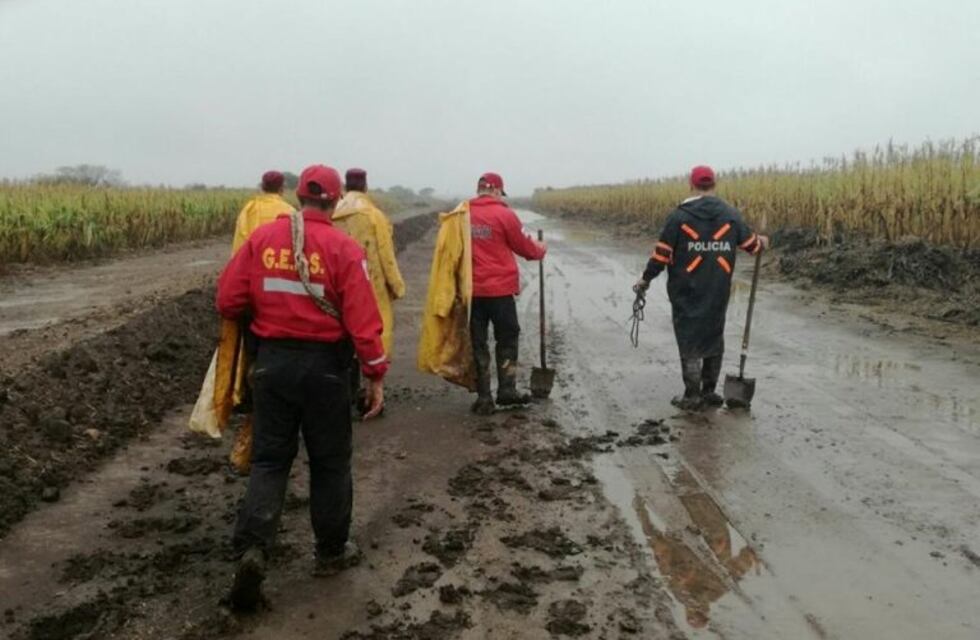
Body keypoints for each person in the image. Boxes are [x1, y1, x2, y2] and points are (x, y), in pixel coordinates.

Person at [215, 164, 388, 611]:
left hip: (272, 367)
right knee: (330, 463)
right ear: (334, 202)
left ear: (298, 196)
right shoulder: (345, 249)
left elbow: (228, 300)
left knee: (270, 461)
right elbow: (364, 322)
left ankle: (252, 550)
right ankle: (330, 553)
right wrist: (375, 374)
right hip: (327, 372)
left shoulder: (264, 239)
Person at [633, 165, 768, 410]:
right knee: (713, 334)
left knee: (689, 337)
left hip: (686, 291)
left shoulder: (678, 217)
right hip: (717, 289)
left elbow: (662, 255)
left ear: (691, 185)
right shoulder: (730, 214)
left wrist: (646, 278)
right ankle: (709, 392)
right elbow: (752, 245)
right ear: (714, 185)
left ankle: (692, 395)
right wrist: (762, 242)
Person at [468, 172, 546, 415]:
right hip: (500, 292)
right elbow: (526, 248)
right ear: (496, 191)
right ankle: (507, 390)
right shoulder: (505, 214)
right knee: (507, 339)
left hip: (471, 292)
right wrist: (540, 249)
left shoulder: (461, 215)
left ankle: (483, 396)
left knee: (478, 343)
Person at [333, 168, 405, 414]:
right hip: (371, 288)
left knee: (344, 340)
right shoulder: (374, 216)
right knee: (372, 340)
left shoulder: (333, 213)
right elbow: (387, 256)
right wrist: (396, 287)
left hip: (336, 290)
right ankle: (369, 394)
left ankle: (346, 393)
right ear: (365, 186)